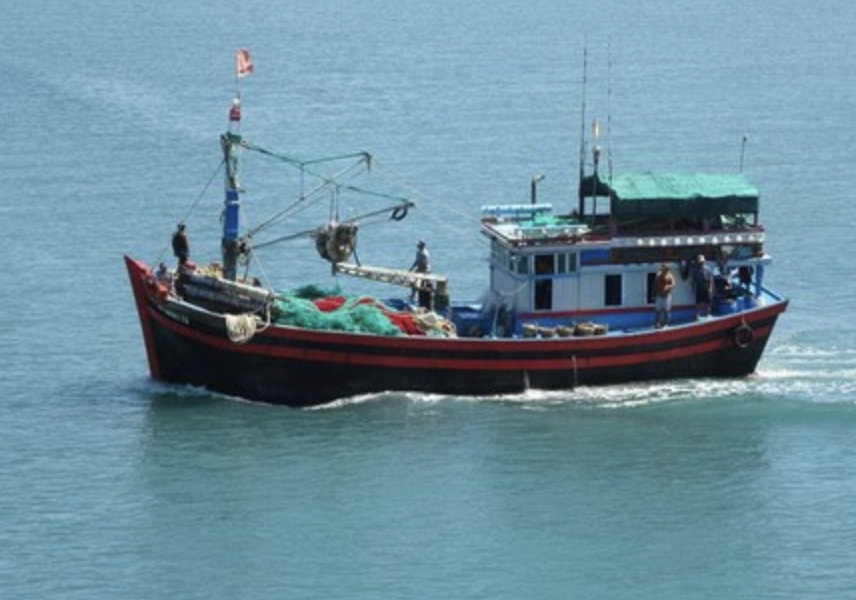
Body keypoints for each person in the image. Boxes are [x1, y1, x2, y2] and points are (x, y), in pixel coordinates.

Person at [653, 262, 675, 328]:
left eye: (666, 269)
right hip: (659, 295)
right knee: (658, 311)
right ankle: (657, 324)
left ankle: (665, 324)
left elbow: (673, 284)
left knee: (667, 311)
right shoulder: (658, 275)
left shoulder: (670, 276)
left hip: (667, 296)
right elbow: (655, 285)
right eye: (664, 268)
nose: (665, 270)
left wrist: (668, 286)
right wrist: (653, 294)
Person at [692, 255, 714, 319]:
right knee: (698, 302)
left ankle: (708, 314)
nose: (700, 263)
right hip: (699, 286)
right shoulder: (695, 269)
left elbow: (711, 279)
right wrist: (693, 287)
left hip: (706, 286)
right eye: (699, 262)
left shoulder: (708, 269)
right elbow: (693, 280)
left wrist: (710, 288)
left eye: (701, 262)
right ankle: (697, 315)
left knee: (708, 302)